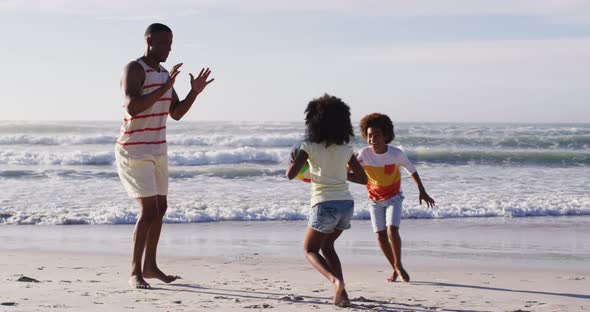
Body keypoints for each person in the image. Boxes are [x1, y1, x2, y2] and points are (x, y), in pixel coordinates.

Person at [115, 23, 214, 289]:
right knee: (148, 211)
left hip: (158, 148)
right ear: (149, 41)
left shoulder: (163, 74)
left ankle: (151, 266)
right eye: (162, 44)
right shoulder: (135, 69)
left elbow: (176, 113)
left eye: (170, 44)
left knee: (161, 208)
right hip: (134, 149)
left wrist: (194, 91)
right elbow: (133, 106)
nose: (168, 49)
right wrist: (166, 85)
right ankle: (135, 272)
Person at [286, 94, 368, 307]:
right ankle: (343, 294)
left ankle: (335, 281)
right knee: (328, 246)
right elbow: (363, 179)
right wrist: (339, 175)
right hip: (346, 205)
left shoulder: (308, 147)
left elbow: (291, 174)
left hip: (324, 204)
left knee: (310, 249)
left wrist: (292, 162)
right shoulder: (346, 149)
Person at [356, 113, 435, 283]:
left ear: (385, 135)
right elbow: (351, 169)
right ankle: (395, 268)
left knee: (392, 230)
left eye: (376, 135)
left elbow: (412, 170)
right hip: (374, 201)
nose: (372, 139)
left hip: (394, 198)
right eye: (369, 135)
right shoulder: (364, 154)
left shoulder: (396, 154)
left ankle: (398, 264)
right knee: (380, 235)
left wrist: (422, 190)